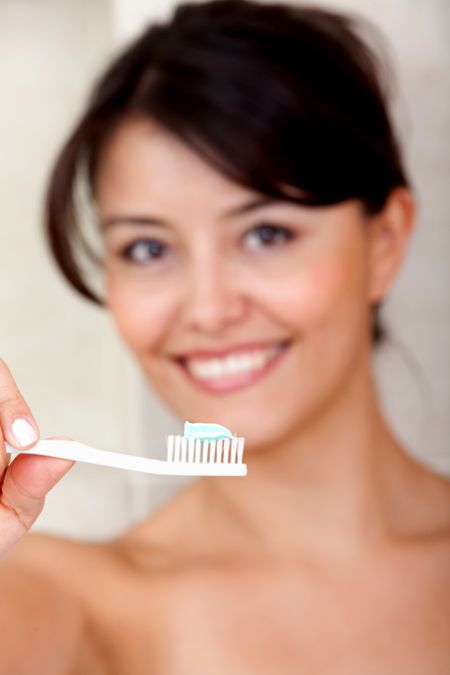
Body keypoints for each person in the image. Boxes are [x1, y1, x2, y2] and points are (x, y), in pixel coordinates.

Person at [1, 1, 449, 673]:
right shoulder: (57, 603)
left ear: (384, 242)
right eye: (148, 248)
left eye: (265, 234)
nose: (208, 309)